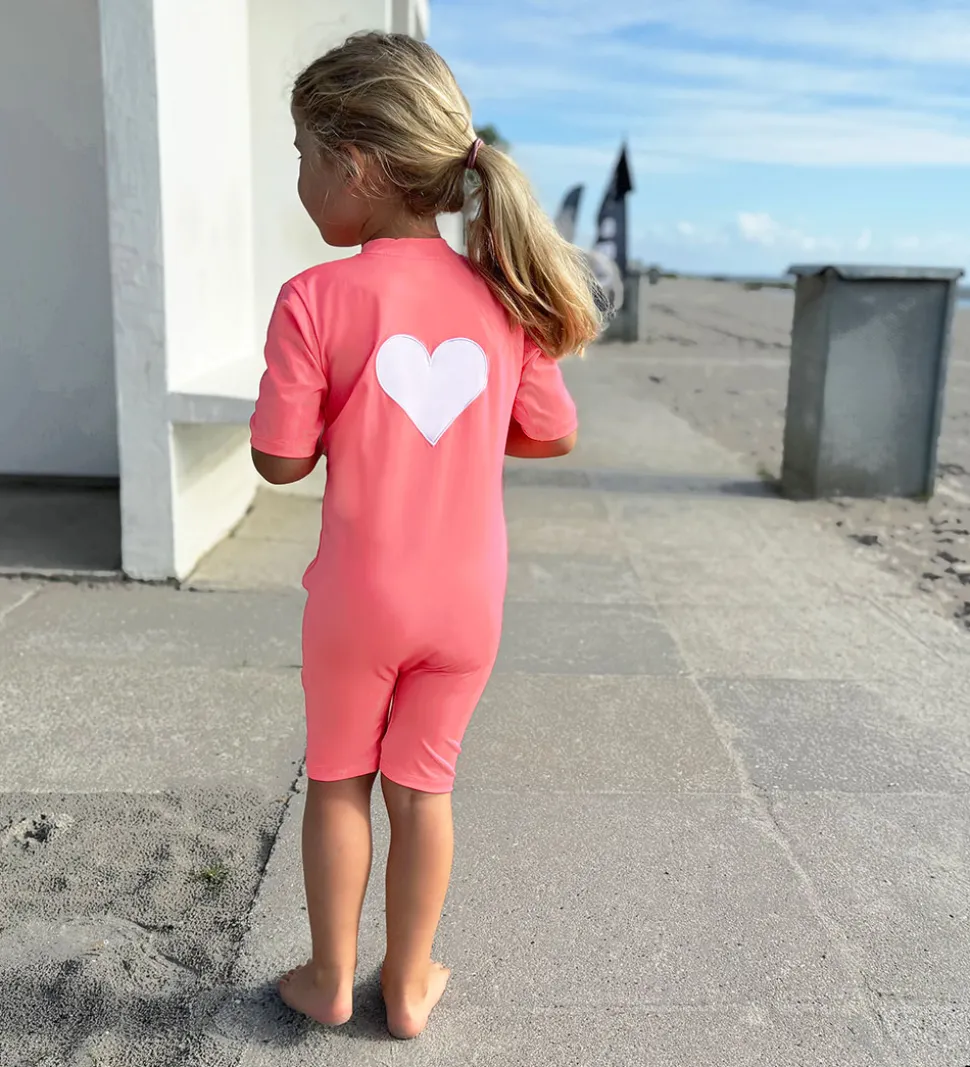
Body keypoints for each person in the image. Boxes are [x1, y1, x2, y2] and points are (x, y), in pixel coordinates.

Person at [249, 31, 601, 1041]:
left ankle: (327, 977)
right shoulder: (502, 296)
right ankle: (407, 986)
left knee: (338, 779)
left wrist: (337, 424)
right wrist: (468, 434)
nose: (300, 180)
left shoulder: (315, 298)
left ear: (356, 166)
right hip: (466, 603)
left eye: (305, 156)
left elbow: (279, 460)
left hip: (357, 600)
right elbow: (554, 432)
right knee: (424, 789)